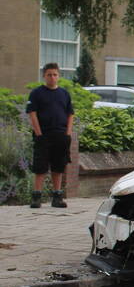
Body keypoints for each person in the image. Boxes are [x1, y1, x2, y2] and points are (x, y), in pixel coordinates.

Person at [26, 63, 74, 208]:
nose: (52, 77)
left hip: (61, 135)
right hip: (43, 136)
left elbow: (70, 114)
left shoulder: (64, 94)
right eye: (49, 75)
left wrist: (68, 133)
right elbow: (32, 113)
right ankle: (36, 197)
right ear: (44, 76)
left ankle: (57, 197)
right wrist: (39, 133)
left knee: (58, 167)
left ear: (58, 76)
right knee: (40, 167)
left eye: (55, 74)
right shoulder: (36, 93)